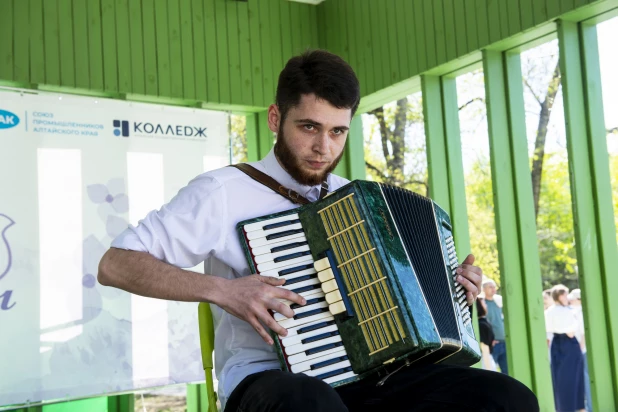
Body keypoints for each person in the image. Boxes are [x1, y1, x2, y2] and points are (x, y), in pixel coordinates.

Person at [98, 50, 538, 411]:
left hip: (374, 376)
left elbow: (406, 298)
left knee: (505, 398)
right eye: (309, 126)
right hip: (269, 382)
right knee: (310, 403)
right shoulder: (222, 192)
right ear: (275, 118)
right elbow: (115, 264)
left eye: (337, 132)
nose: (322, 147)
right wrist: (223, 290)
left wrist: (456, 290)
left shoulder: (360, 198)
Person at [545, 284, 585, 412]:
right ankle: (578, 407)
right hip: (569, 343)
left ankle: (561, 407)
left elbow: (548, 329)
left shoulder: (549, 311)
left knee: (559, 377)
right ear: (561, 296)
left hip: (556, 343)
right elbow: (571, 332)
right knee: (574, 377)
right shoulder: (568, 311)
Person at [569, 288, 591, 411]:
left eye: (573, 299)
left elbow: (583, 334)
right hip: (581, 350)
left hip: (583, 351)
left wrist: (580, 350)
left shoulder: (581, 313)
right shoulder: (577, 312)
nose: (570, 301)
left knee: (586, 379)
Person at [482, 279, 509, 375]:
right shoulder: (482, 304)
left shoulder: (499, 302)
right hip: (493, 344)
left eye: (494, 287)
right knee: (492, 372)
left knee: (507, 372)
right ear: (484, 289)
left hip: (505, 342)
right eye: (490, 287)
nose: (493, 289)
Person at [476, 297, 498, 371]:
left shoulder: (483, 322)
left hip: (487, 357)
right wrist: (489, 368)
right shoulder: (482, 324)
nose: (486, 305)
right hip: (485, 359)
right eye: (484, 303)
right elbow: (484, 347)